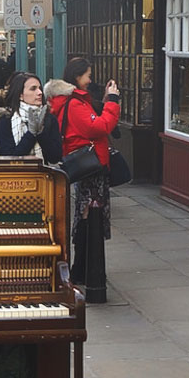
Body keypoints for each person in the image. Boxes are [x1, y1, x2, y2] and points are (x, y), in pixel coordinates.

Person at [45, 57, 121, 284]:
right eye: (88, 75)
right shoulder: (75, 103)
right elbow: (98, 127)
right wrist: (113, 103)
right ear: (77, 77)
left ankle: (85, 268)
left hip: (87, 166)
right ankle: (84, 270)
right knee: (89, 217)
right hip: (90, 168)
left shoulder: (73, 101)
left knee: (87, 216)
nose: (90, 80)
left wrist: (106, 100)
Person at [0, 71, 61, 159]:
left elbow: (55, 157)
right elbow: (10, 158)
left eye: (40, 88)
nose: (40, 92)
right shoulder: (7, 120)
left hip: (43, 171)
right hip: (17, 172)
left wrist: (41, 133)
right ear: (20, 95)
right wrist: (31, 134)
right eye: (33, 89)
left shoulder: (49, 119)